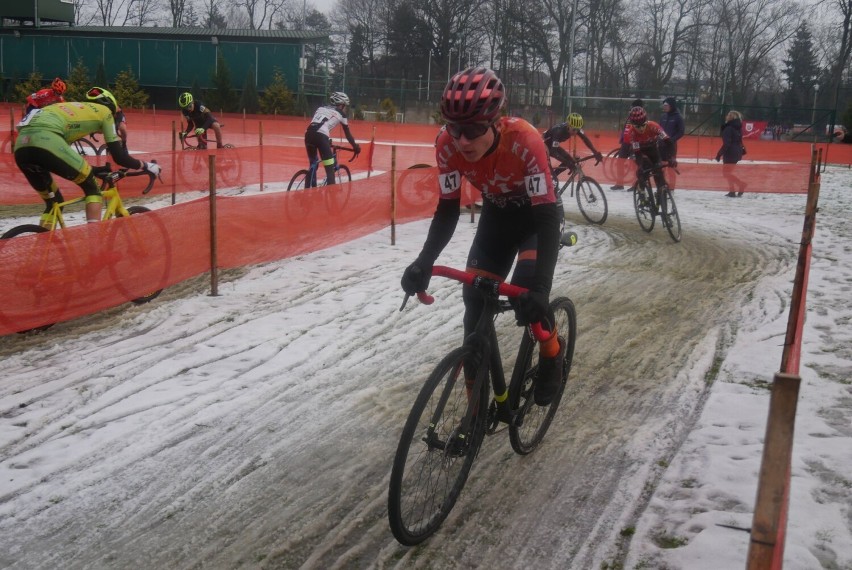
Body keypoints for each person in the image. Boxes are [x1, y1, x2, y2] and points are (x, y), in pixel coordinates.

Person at [400, 67, 565, 406]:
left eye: (473, 129)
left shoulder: (524, 140)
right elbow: (447, 210)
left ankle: (552, 354)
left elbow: (547, 219)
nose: (463, 140)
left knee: (527, 300)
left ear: (494, 122)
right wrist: (424, 261)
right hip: (497, 216)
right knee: (474, 305)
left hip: (536, 218)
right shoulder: (446, 146)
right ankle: (476, 406)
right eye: (455, 128)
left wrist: (541, 290)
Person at [14, 87, 161, 226]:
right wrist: (148, 166)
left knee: (54, 202)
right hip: (47, 140)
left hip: (21, 146)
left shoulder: (73, 109)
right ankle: (92, 242)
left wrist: (94, 170)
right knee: (93, 190)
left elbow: (63, 159)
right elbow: (120, 157)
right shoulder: (106, 112)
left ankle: (42, 243)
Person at [304, 92, 361, 187]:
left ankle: (308, 190)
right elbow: (348, 135)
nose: (345, 108)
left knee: (313, 164)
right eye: (345, 106)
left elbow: (320, 123)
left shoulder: (320, 108)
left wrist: (327, 140)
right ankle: (332, 197)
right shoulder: (341, 114)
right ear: (342, 105)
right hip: (321, 137)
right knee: (330, 170)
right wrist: (355, 147)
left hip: (308, 135)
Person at [623, 106, 675, 195]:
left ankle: (660, 191)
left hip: (653, 150)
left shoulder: (653, 126)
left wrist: (672, 157)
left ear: (646, 121)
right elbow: (637, 152)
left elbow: (669, 142)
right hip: (640, 152)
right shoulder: (632, 133)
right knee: (643, 171)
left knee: (658, 171)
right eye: (637, 126)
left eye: (643, 125)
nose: (640, 128)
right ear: (632, 124)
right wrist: (640, 166)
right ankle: (641, 190)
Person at [542, 112, 603, 177]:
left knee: (571, 161)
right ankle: (552, 178)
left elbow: (586, 140)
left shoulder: (575, 127)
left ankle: (554, 177)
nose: (575, 132)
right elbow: (553, 152)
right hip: (543, 145)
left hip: (551, 144)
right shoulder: (559, 131)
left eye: (577, 129)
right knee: (553, 170)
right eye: (574, 130)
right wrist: (567, 163)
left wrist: (595, 152)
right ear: (568, 125)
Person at [611, 98, 644, 190]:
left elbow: (640, 132)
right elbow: (626, 128)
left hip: (634, 144)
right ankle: (619, 183)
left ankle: (636, 184)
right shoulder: (630, 116)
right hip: (625, 143)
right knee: (620, 162)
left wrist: (635, 144)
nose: (631, 109)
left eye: (633, 107)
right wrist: (622, 139)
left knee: (635, 164)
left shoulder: (641, 117)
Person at [716, 110, 746, 197]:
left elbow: (727, 143)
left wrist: (719, 154)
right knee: (728, 172)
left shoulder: (728, 128)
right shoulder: (738, 127)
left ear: (731, 117)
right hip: (737, 152)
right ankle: (732, 190)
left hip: (730, 152)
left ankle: (740, 185)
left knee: (726, 173)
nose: (726, 116)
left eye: (728, 115)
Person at [658, 97, 684, 162]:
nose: (664, 107)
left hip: (671, 146)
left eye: (666, 105)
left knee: (670, 165)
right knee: (660, 164)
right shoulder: (663, 116)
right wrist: (659, 139)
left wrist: (671, 140)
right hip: (661, 145)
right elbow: (659, 130)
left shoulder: (678, 117)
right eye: (664, 106)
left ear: (672, 106)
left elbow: (681, 131)